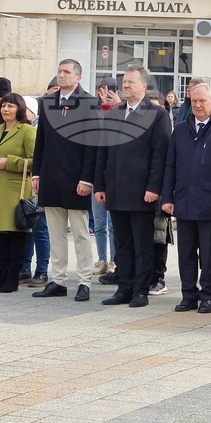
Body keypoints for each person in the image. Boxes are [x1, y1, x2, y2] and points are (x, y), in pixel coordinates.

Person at [162, 83, 211, 314]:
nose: (198, 105)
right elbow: (171, 165)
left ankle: (208, 294)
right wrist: (167, 197)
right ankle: (188, 295)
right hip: (185, 202)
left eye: (203, 101)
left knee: (209, 254)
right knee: (186, 253)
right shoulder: (180, 129)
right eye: (194, 100)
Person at [95, 65, 171, 308]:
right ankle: (124, 287)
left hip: (142, 192)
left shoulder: (157, 115)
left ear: (144, 87)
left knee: (143, 244)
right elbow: (103, 152)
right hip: (116, 189)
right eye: (124, 82)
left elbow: (160, 155)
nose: (125, 86)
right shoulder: (115, 114)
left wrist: (154, 187)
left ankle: (141, 290)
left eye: (130, 82)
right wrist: (100, 185)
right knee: (123, 244)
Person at [32, 60, 98, 302]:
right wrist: (36, 173)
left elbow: (93, 144)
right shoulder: (47, 101)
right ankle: (58, 280)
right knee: (55, 232)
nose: (61, 76)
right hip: (51, 175)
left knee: (80, 233)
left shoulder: (89, 103)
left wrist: (87, 179)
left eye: (66, 72)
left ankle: (84, 281)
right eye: (59, 71)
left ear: (78, 77)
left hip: (76, 178)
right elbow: (41, 139)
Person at [0, 92, 36, 293]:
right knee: (0, 237)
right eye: (3, 106)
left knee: (15, 236)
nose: (6, 109)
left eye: (10, 106)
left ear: (19, 108)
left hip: (14, 192)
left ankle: (13, 278)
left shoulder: (27, 131)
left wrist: (10, 162)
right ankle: (2, 276)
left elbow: (35, 161)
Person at [91, 75, 119, 277]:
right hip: (96, 174)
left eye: (107, 90)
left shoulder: (122, 111)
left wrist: (114, 106)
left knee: (113, 223)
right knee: (99, 222)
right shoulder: (93, 112)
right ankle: (102, 259)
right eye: (101, 89)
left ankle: (115, 261)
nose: (104, 94)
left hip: (116, 176)